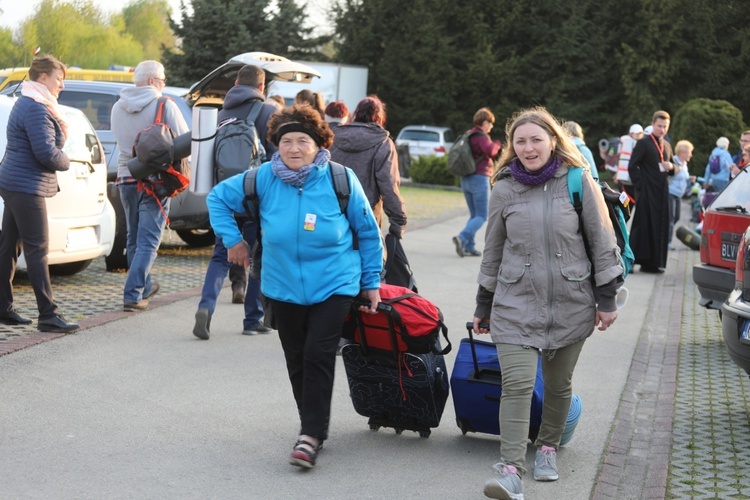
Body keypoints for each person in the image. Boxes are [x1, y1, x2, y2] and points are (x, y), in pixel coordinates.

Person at [207, 104, 383, 469]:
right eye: (286, 141)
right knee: (296, 357)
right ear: (276, 145)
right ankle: (313, 424)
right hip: (282, 284)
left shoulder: (340, 179)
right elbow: (217, 199)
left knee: (318, 352)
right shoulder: (262, 178)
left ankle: (310, 435)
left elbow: (367, 233)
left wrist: (370, 283)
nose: (294, 148)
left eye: (303, 140)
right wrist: (233, 240)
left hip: (336, 283)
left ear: (319, 144)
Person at [474, 107, 621, 500]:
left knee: (558, 386)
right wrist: (483, 304)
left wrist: (606, 298)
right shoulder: (503, 187)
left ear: (554, 140)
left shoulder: (577, 180)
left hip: (572, 300)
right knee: (518, 384)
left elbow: (602, 240)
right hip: (515, 300)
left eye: (536, 139)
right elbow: (492, 250)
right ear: (512, 146)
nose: (528, 147)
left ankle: (548, 448)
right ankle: (509, 471)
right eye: (520, 141)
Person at [193, 64, 279, 339]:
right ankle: (253, 320)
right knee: (256, 256)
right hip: (256, 196)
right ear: (262, 87)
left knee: (221, 255)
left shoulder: (222, 114)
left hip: (225, 194)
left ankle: (206, 307)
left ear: (235, 85)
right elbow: (277, 155)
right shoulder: (268, 112)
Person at [0, 54, 79, 332]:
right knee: (37, 250)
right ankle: (48, 315)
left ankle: (3, 308)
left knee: (9, 246)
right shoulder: (35, 107)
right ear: (42, 77)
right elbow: (46, 152)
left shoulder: (27, 101)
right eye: (59, 79)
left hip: (13, 181)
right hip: (26, 186)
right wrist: (68, 160)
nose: (62, 85)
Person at [111, 60, 189, 311]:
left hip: (125, 178)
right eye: (163, 80)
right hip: (155, 182)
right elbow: (184, 139)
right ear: (153, 81)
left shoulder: (116, 107)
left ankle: (143, 287)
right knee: (149, 240)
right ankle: (133, 294)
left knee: (134, 238)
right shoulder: (163, 103)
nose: (164, 84)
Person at [329, 95, 407, 238]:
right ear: (380, 117)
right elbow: (388, 184)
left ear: (355, 114)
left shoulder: (332, 138)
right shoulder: (383, 143)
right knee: (367, 258)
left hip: (331, 213)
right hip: (366, 216)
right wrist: (398, 220)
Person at [628, 110, 674, 273]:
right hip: (647, 192)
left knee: (658, 226)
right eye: (659, 126)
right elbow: (632, 166)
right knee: (641, 226)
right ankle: (630, 262)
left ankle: (652, 263)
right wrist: (641, 186)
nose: (662, 129)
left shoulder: (667, 144)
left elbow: (673, 167)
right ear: (653, 124)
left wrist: (672, 167)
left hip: (662, 193)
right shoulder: (644, 143)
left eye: (665, 126)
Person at [452, 107, 502, 257]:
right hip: (479, 178)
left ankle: (469, 246)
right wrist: (498, 144)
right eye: (490, 123)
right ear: (485, 122)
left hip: (466, 178)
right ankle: (461, 237)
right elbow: (491, 151)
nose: (491, 127)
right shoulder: (481, 136)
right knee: (482, 215)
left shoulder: (469, 134)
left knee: (474, 215)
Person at [668, 140, 695, 250]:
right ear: (682, 153)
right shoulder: (673, 162)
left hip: (679, 194)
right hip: (670, 193)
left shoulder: (684, 164)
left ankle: (665, 236)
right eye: (689, 152)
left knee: (677, 217)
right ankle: (667, 241)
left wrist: (690, 178)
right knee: (670, 218)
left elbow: (682, 177)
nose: (691, 155)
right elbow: (669, 176)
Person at [614, 124, 644, 200]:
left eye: (640, 133)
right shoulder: (635, 143)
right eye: (637, 133)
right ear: (631, 134)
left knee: (626, 201)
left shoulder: (622, 143)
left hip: (622, 177)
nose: (639, 135)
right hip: (631, 177)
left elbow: (618, 158)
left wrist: (617, 173)